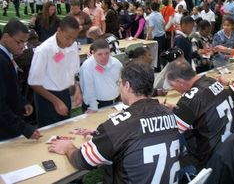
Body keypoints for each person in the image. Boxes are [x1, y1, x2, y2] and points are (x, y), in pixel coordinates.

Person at [48, 61, 180, 184]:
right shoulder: (168, 113)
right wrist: (102, 137)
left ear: (127, 86)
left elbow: (82, 160)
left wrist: (67, 147)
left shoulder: (117, 127)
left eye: (119, 83)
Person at [166, 59, 234, 170]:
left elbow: (170, 130)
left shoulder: (190, 100)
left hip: (209, 157)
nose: (174, 89)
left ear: (180, 81)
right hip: (229, 144)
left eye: (173, 86)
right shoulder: (212, 80)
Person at [28, 16, 82, 127]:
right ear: (59, 31)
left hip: (64, 93)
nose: (71, 42)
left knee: (65, 128)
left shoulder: (73, 46)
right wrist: (56, 101)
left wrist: (77, 88)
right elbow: (34, 83)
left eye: (74, 38)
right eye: (68, 37)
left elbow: (72, 71)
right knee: (50, 133)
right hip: (47, 96)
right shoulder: (44, 50)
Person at [0, 19, 41, 141]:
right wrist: (23, 128)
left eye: (25, 42)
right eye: (19, 42)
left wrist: (22, 102)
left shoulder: (8, 55)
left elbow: (10, 87)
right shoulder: (1, 61)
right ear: (6, 37)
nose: (23, 46)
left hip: (11, 119)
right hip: (5, 127)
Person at [80, 39, 123, 113]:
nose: (104, 57)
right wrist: (93, 107)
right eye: (100, 54)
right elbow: (88, 89)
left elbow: (122, 81)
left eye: (107, 53)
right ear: (93, 53)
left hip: (115, 102)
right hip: (96, 104)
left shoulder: (116, 63)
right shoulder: (87, 66)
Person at [146, 2, 166, 71]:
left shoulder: (151, 16)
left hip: (156, 36)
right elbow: (164, 23)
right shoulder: (160, 15)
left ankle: (157, 68)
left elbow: (151, 26)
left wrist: (147, 35)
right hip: (162, 35)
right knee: (161, 52)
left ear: (151, 8)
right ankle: (163, 66)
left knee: (156, 53)